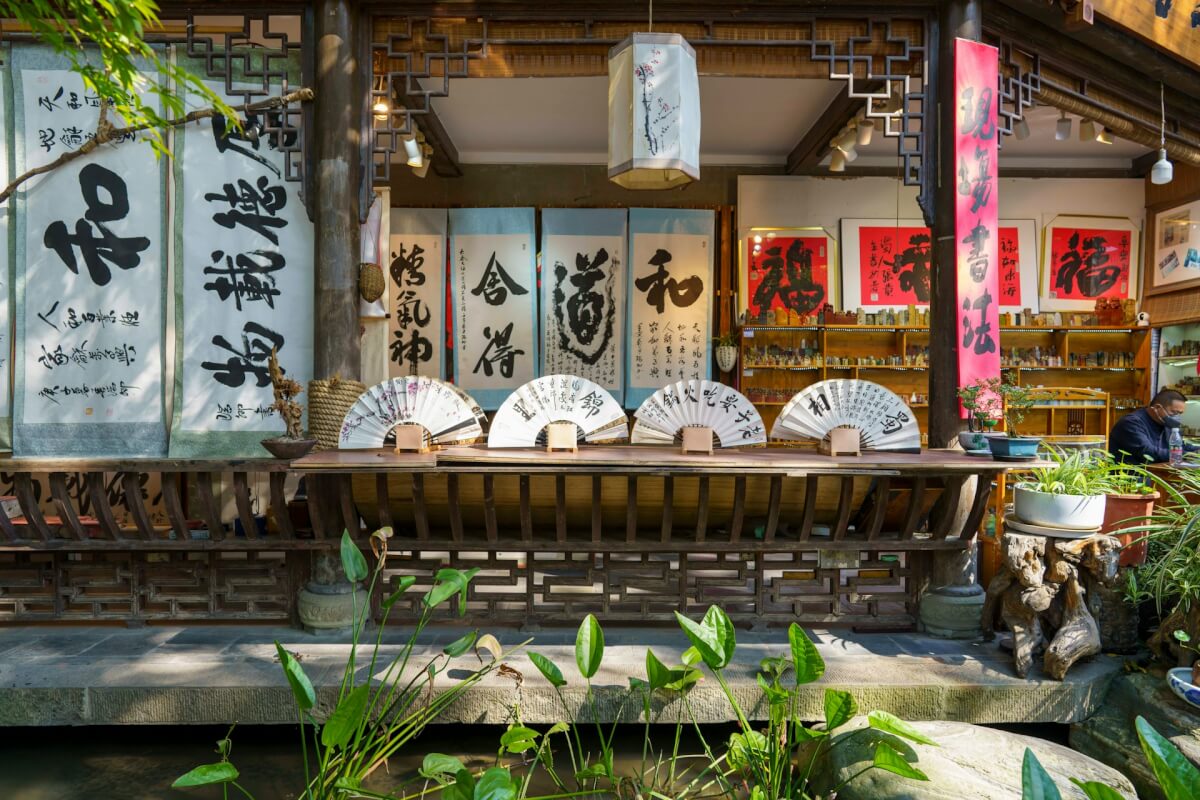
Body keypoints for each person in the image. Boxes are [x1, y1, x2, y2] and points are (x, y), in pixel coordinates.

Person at [1109, 388, 1197, 464]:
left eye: (1180, 413)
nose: (1177, 416)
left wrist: (1196, 451)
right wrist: (1185, 455)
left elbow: (1180, 446)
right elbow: (1148, 452)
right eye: (1174, 412)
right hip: (1131, 475)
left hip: (1158, 472)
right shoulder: (1131, 423)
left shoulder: (1166, 423)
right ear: (1158, 408)